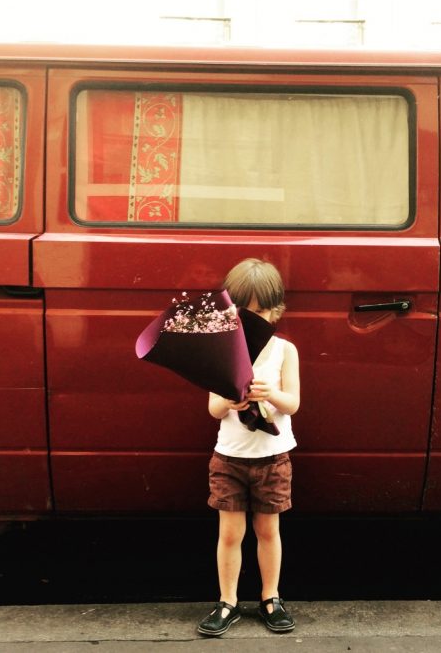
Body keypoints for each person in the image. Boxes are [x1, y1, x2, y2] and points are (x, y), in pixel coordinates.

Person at [197, 258, 300, 637]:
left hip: (272, 459)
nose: (251, 320)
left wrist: (270, 393)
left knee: (268, 531)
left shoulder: (284, 350)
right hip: (229, 458)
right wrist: (231, 400)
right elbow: (213, 408)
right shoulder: (223, 352)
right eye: (243, 312)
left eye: (259, 312)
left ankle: (270, 597)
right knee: (229, 534)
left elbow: (293, 404)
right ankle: (227, 601)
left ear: (275, 311)